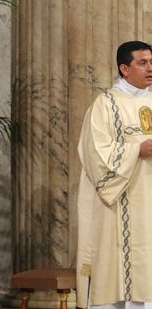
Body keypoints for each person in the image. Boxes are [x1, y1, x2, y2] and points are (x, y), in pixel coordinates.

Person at [77, 41, 152, 308]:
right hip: (119, 201)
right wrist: (136, 150)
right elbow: (94, 152)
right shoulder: (105, 104)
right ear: (124, 68)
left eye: (151, 62)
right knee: (116, 275)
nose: (150, 68)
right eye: (142, 63)